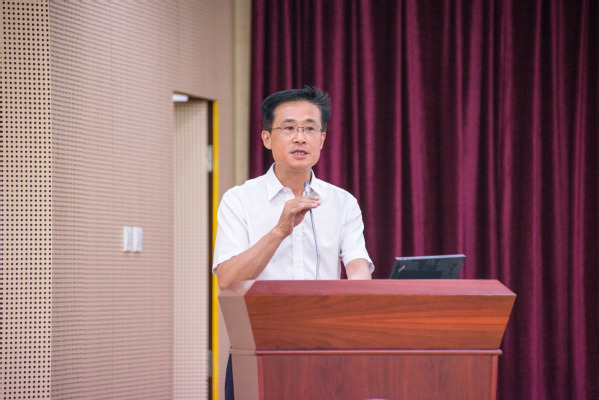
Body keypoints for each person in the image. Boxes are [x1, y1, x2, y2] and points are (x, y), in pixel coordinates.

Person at [212, 86, 374, 399]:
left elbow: (358, 269)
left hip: (327, 347)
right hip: (258, 347)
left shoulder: (343, 202)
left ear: (322, 139)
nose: (300, 138)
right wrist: (280, 230)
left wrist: (357, 313)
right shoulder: (239, 200)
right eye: (288, 128)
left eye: (310, 129)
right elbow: (228, 280)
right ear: (266, 138)